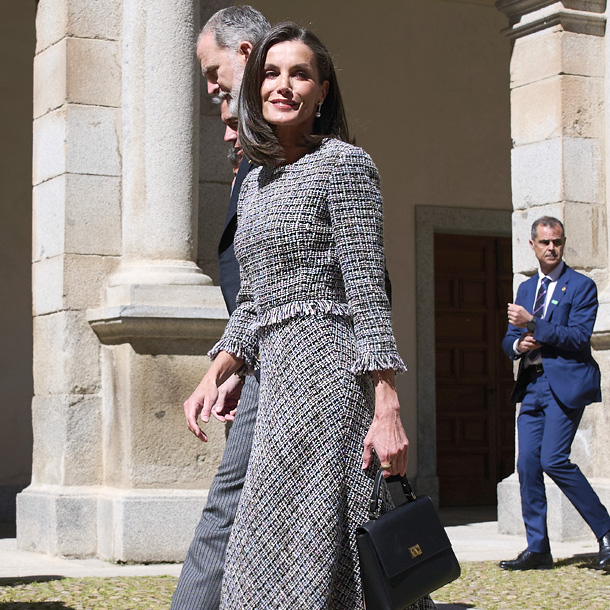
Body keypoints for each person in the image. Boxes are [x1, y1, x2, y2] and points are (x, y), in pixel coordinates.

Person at [195, 21, 435, 610]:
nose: (284, 85)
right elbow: (254, 300)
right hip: (277, 381)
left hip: (329, 379)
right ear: (253, 89)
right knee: (277, 554)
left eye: (300, 74)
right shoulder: (253, 183)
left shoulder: (345, 165)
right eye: (272, 73)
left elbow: (367, 291)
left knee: (299, 555)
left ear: (322, 90)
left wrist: (388, 405)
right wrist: (217, 368)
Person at [170, 7, 270, 610]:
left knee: (230, 509)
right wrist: (233, 364)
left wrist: (223, 366)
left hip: (307, 369)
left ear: (243, 50)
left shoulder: (325, 163)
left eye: (213, 74)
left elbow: (367, 288)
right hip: (262, 364)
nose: (213, 94)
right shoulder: (251, 173)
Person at [500, 216, 610, 572]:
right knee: (528, 464)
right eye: (545, 242)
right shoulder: (525, 290)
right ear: (532, 245)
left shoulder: (581, 286)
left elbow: (579, 337)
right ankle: (538, 548)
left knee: (553, 460)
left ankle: (607, 532)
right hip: (531, 383)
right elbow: (507, 341)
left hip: (564, 384)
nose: (552, 248)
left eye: (558, 242)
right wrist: (519, 342)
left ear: (563, 244)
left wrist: (535, 324)